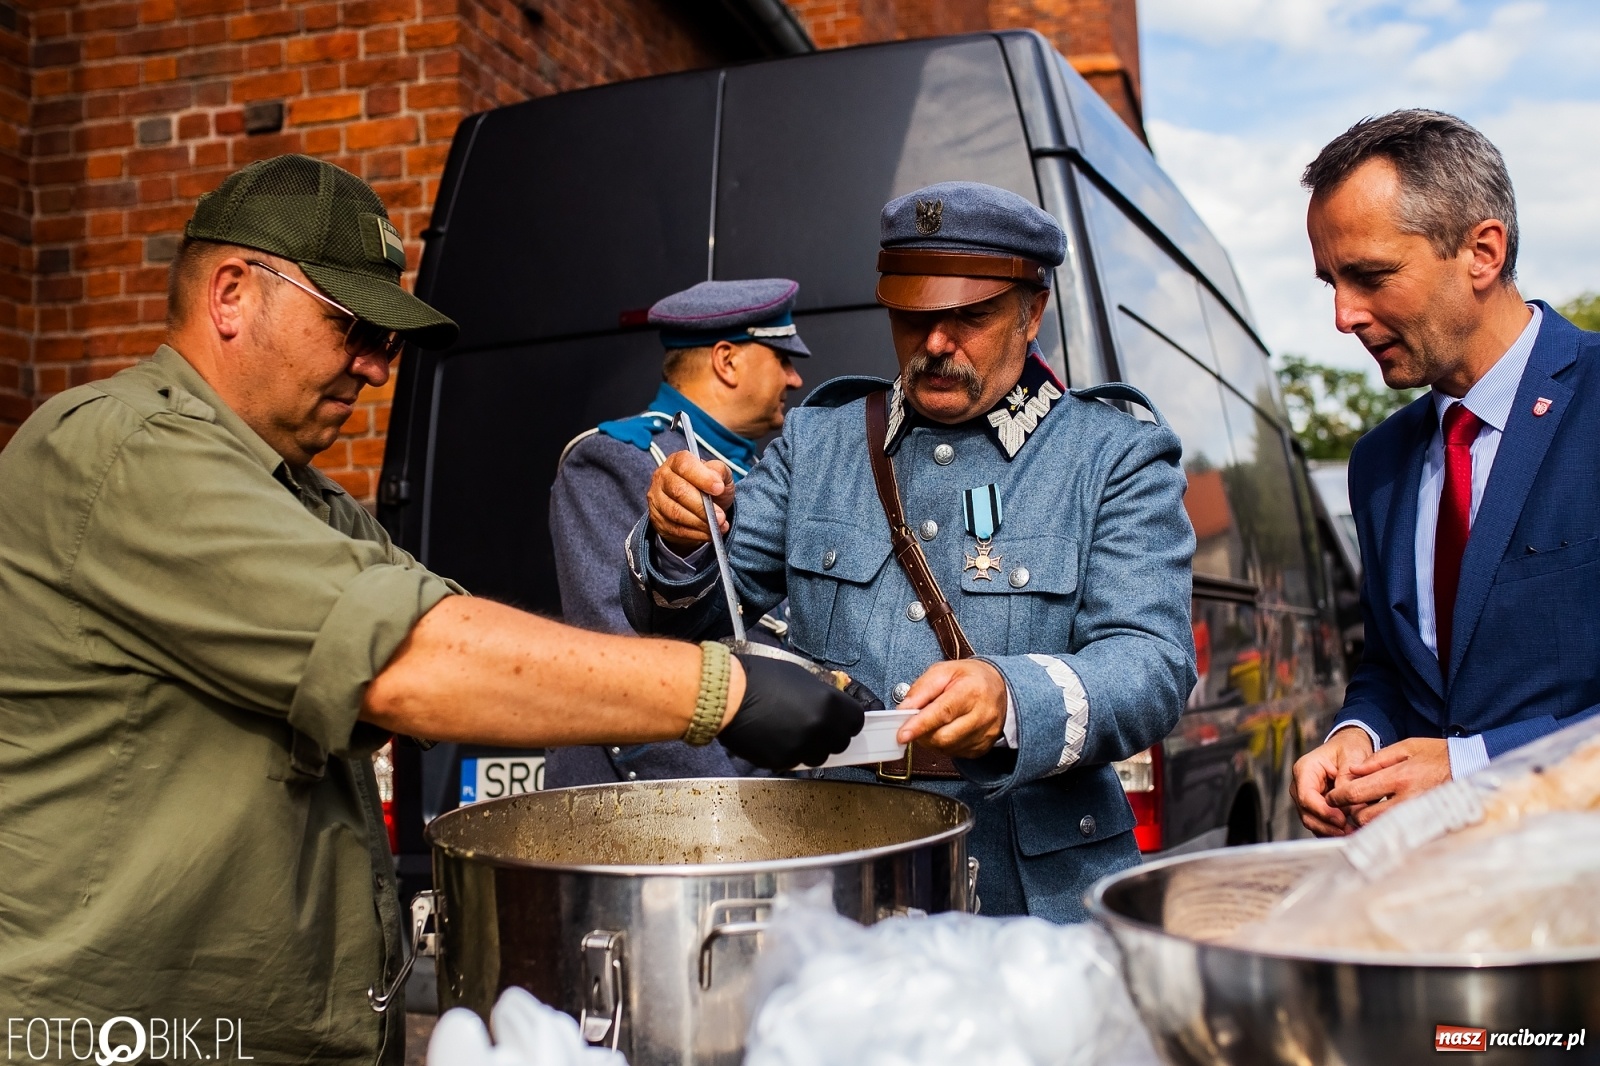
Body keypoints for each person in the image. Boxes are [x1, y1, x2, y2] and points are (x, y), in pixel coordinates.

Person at [0, 155, 863, 1064]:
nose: (377, 367)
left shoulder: (304, 500)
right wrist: (725, 691)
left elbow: (461, 632)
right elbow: (418, 661)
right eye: (355, 326)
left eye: (390, 340)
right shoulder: (123, 452)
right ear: (230, 295)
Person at [624, 181, 1196, 921]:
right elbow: (688, 618)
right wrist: (676, 537)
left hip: (1027, 895)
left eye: (970, 316)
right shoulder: (820, 442)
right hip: (837, 874)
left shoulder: (1113, 454)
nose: (934, 343)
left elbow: (1152, 663)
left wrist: (1013, 700)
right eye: (914, 314)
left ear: (1033, 312)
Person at [1291, 110, 1600, 836]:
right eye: (1330, 281)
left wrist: (1473, 767)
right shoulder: (1378, 463)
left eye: (1369, 276)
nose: (1342, 315)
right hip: (1433, 905)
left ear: (1482, 252)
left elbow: (1465, 749)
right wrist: (1354, 740)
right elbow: (1393, 671)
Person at [546, 278, 807, 786]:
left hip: (767, 795)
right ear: (726, 360)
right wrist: (720, 809)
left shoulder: (763, 472)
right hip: (665, 811)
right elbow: (628, 670)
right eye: (782, 358)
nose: (795, 379)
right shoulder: (615, 460)